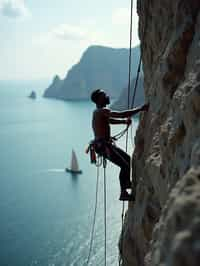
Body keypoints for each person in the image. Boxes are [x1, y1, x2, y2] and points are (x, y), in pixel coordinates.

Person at [90, 89, 149, 201]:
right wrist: (140, 109)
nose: (107, 95)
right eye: (104, 95)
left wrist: (123, 122)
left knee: (126, 160)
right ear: (99, 99)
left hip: (101, 145)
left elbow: (109, 121)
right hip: (103, 146)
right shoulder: (102, 110)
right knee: (124, 164)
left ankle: (126, 184)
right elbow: (120, 114)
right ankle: (123, 192)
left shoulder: (97, 112)